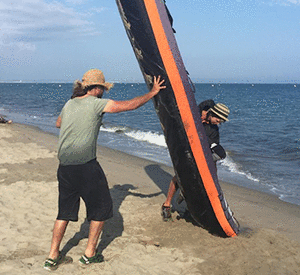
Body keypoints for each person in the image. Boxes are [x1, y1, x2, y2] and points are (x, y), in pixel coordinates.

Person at [44, 69, 165, 270]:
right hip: (86, 167)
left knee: (63, 213)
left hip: (65, 168)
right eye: (103, 88)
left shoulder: (70, 103)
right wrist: (152, 93)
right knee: (101, 210)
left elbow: (58, 124)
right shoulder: (97, 103)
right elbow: (128, 106)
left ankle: (52, 256)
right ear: (98, 88)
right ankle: (89, 254)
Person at [161, 100, 229, 222]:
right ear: (212, 114)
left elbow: (212, 150)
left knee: (198, 183)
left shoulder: (214, 131)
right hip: (184, 149)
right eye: (218, 120)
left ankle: (189, 208)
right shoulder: (197, 115)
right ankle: (167, 205)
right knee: (178, 177)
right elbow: (207, 102)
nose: (218, 123)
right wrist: (204, 112)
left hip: (198, 156)